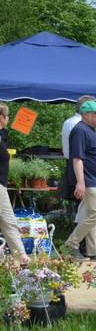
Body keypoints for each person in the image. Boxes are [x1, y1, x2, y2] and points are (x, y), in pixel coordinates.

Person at [62, 100, 96, 260]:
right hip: (90, 181)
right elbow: (77, 158)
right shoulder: (80, 130)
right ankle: (71, 244)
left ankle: (94, 251)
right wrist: (81, 182)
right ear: (86, 114)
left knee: (93, 216)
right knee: (95, 215)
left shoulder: (89, 130)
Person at [0, 104, 31, 264]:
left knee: (9, 222)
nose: (9, 119)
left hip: (2, 186)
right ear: (1, 117)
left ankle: (22, 257)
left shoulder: (2, 135)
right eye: (8, 116)